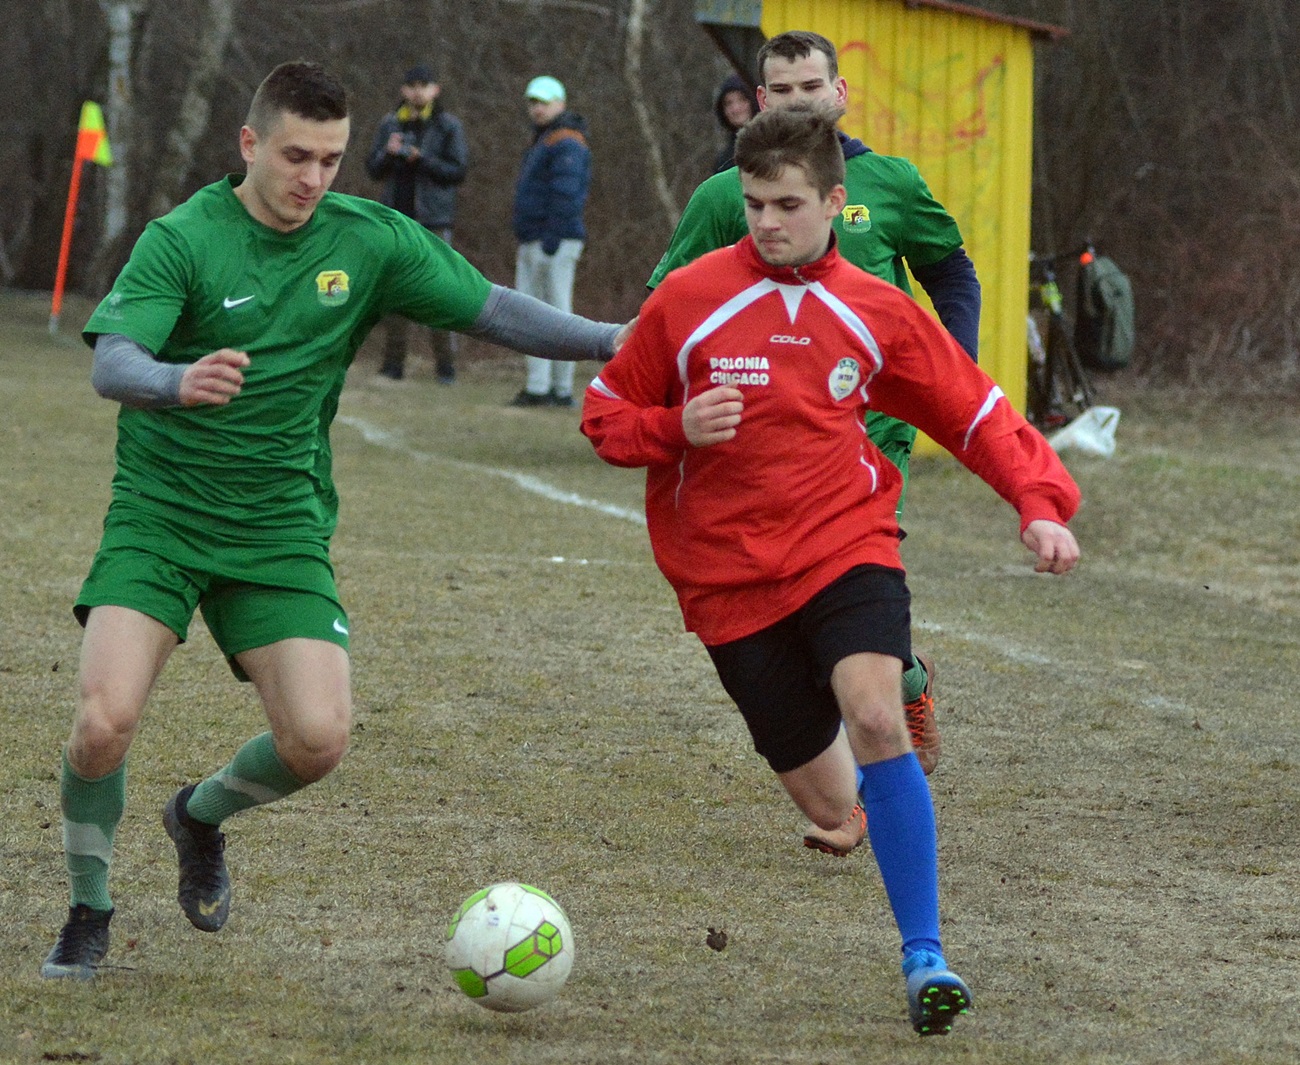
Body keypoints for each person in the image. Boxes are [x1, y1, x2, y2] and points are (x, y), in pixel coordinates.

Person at [40, 60, 626, 982]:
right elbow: (114, 361)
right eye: (295, 156)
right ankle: (88, 906)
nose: (313, 178)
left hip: (279, 524)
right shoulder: (183, 238)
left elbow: (491, 309)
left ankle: (198, 815)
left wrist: (603, 339)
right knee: (104, 721)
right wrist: (174, 382)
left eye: (331, 158)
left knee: (317, 741)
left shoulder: (370, 240)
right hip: (161, 517)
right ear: (250, 144)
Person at [583, 103, 1080, 1036]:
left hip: (844, 541)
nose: (768, 221)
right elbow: (605, 412)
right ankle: (861, 802)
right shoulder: (688, 300)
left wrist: (1039, 501)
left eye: (787, 203)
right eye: (755, 203)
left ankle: (926, 955)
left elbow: (971, 411)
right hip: (726, 580)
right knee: (831, 804)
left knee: (876, 711)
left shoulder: (877, 308)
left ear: (833, 202)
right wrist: (670, 428)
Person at [648, 30, 983, 855]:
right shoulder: (728, 195)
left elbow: (952, 270)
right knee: (804, 615)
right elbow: (665, 305)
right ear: (760, 102)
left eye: (811, 87)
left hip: (873, 438)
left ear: (840, 94)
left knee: (854, 585)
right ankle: (882, 712)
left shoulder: (890, 183)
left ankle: (894, 702)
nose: (798, 102)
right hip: (766, 449)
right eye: (780, 90)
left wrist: (955, 373)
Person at [365, 63, 469, 384]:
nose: (417, 92)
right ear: (403, 90)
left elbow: (458, 171)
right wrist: (389, 153)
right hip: (396, 220)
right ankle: (393, 365)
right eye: (411, 86)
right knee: (395, 293)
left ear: (435, 90)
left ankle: (446, 367)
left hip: (433, 220)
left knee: (439, 290)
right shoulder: (390, 124)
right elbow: (373, 169)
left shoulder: (447, 126)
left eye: (423, 85)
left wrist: (421, 158)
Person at [510, 74, 592, 408]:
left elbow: (566, 192)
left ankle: (555, 388)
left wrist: (553, 236)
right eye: (533, 102)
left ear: (560, 103)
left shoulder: (566, 140)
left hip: (551, 239)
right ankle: (544, 386)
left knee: (553, 313)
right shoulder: (546, 138)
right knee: (539, 312)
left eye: (543, 102)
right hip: (538, 236)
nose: (537, 108)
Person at [712, 72, 759, 173]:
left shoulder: (774, 145)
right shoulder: (724, 161)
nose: (736, 109)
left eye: (742, 100)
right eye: (728, 103)